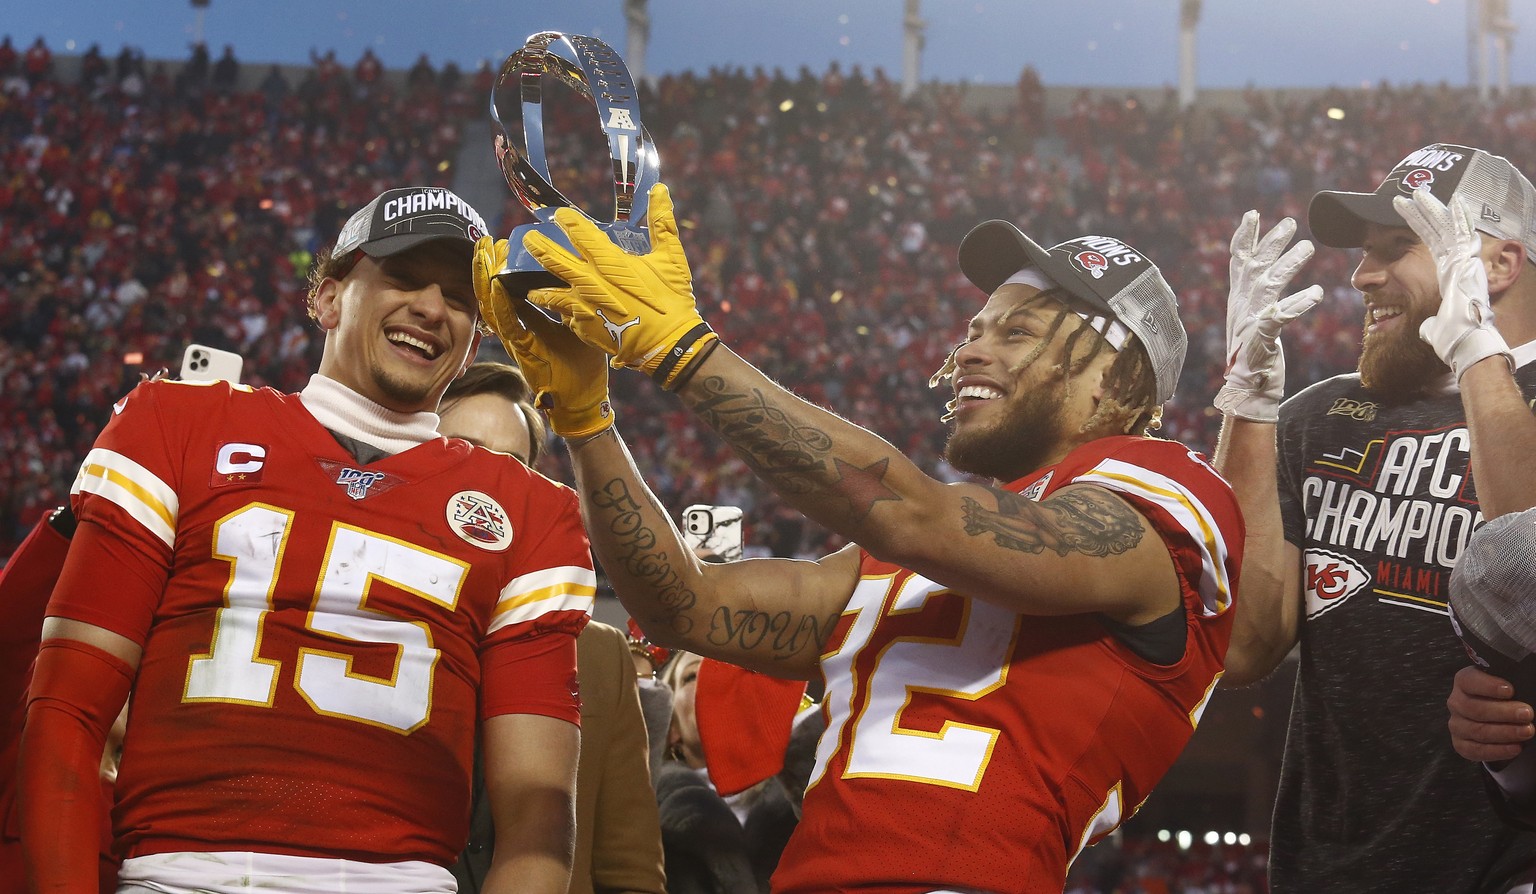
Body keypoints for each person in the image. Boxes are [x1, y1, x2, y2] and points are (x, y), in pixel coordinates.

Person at [471, 183, 1244, 892]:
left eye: (1019, 334)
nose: (973, 348)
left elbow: (913, 515)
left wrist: (685, 352)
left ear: (1113, 375)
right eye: (976, 328)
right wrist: (585, 422)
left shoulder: (1167, 494)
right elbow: (687, 607)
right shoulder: (918, 545)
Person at [17, 186, 593, 894]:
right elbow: (66, 714)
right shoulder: (171, 423)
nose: (432, 308)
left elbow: (539, 817)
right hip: (180, 875)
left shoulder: (532, 512)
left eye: (459, 297)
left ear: (475, 336)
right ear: (327, 297)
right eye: (405, 279)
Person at [1213, 143, 1536, 891]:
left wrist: (1473, 348)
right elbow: (1241, 649)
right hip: (1323, 869)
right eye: (1364, 254)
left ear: (1499, 264)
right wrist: (1247, 407)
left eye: (1399, 248)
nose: (1362, 277)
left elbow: (1529, 560)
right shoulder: (1319, 417)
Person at [437, 361, 665, 894]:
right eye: (463, 453)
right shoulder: (364, 610)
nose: (489, 480)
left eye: (512, 465)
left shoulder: (601, 657)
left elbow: (627, 869)